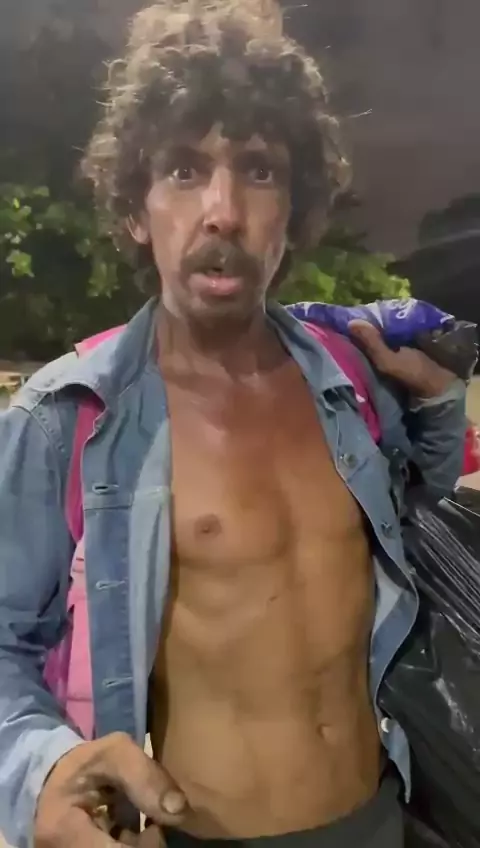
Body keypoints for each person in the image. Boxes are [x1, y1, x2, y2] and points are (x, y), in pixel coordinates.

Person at [0, 2, 467, 847]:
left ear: (295, 208)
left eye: (258, 170)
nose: (222, 211)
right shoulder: (68, 417)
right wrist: (42, 775)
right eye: (183, 170)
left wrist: (437, 402)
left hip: (379, 818)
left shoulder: (350, 379)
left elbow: (415, 513)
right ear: (136, 210)